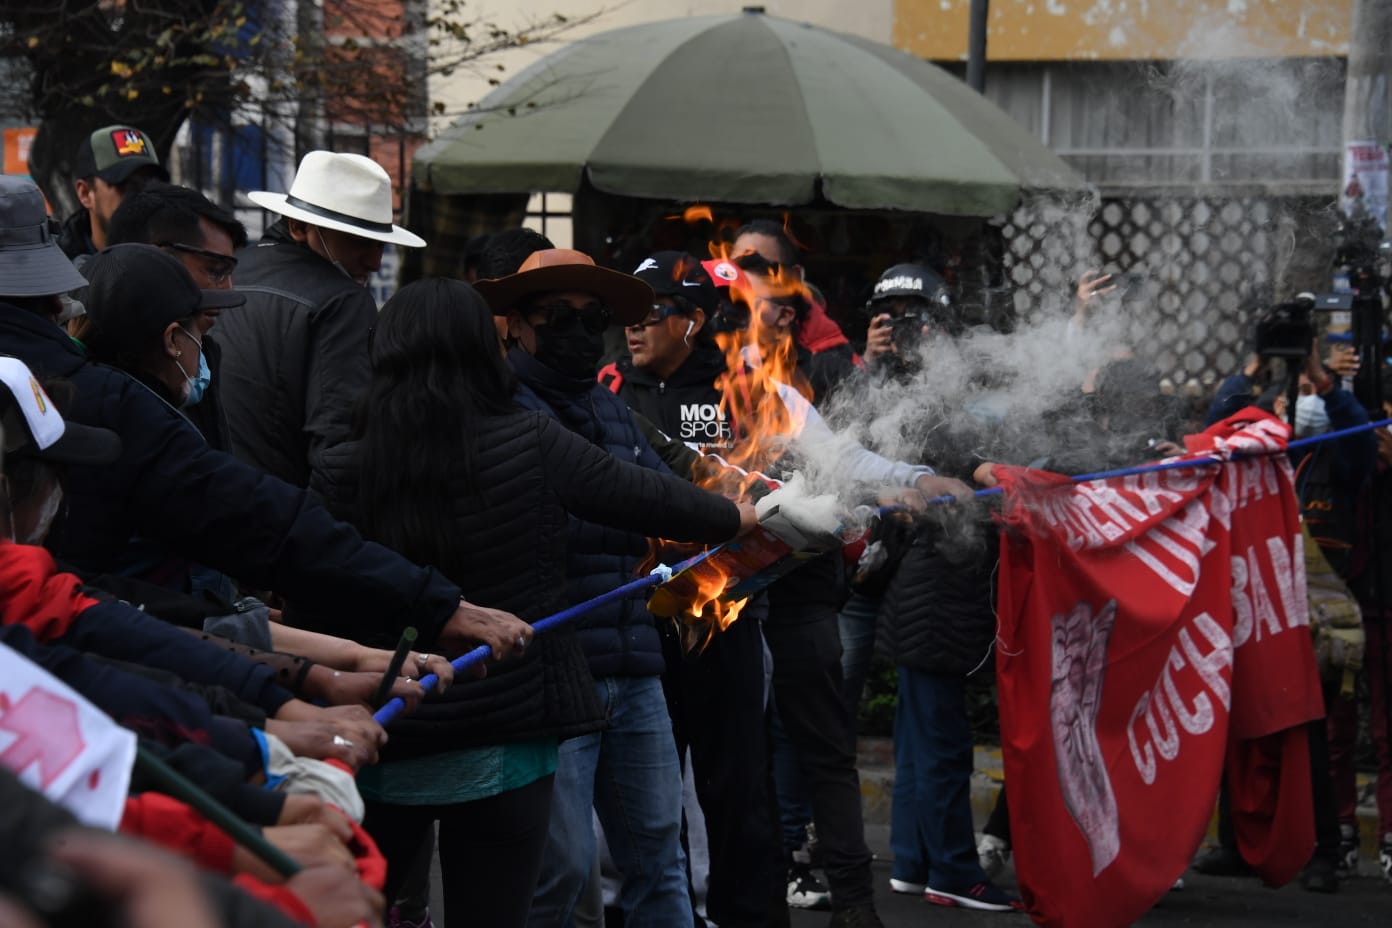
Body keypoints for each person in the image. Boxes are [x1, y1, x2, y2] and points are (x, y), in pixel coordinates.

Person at [312, 277, 750, 928]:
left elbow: (317, 586)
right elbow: (643, 496)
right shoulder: (524, 439)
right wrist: (746, 516)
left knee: (359, 909)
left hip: (387, 726)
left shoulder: (338, 459)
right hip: (507, 731)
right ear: (485, 346)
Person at [0, 174, 530, 693]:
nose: (223, 296)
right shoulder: (106, 398)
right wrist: (414, 608)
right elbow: (247, 509)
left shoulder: (120, 379)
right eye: (213, 274)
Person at [475, 248, 703, 928]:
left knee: (661, 855)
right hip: (550, 669)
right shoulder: (496, 410)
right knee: (564, 875)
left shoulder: (617, 411)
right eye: (557, 315)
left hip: (634, 668)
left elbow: (678, 493)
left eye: (593, 316)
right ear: (517, 323)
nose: (578, 330)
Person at [600, 251, 778, 927]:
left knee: (736, 786)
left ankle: (742, 914)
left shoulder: (746, 387)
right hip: (643, 619)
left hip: (728, 616)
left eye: (650, 317)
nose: (633, 333)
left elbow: (779, 478)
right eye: (627, 321)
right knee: (646, 789)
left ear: (693, 322)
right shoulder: (609, 389)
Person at [215, 150, 426, 489]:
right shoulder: (342, 301)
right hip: (283, 516)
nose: (374, 261)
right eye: (359, 240)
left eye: (380, 244)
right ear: (299, 227)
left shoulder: (229, 273)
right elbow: (341, 447)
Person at [730, 220, 857, 401]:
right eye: (734, 268)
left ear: (795, 277)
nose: (743, 279)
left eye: (762, 269)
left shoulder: (833, 365)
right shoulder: (708, 339)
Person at [57, 124, 168, 264]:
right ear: (85, 194)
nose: (141, 197)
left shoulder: (180, 261)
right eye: (127, 187)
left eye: (150, 185)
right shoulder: (58, 272)